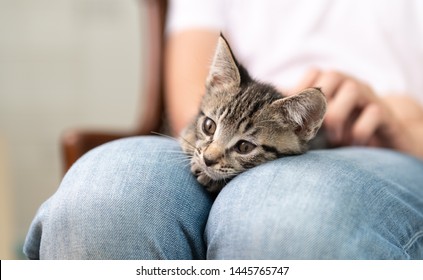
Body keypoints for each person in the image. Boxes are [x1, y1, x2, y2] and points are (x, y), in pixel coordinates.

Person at [24, 0, 423, 259]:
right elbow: (194, 105)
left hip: (382, 143)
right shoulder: (215, 133)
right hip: (227, 121)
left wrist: (404, 127)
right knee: (102, 198)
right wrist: (211, 133)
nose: (214, 155)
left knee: (286, 220)